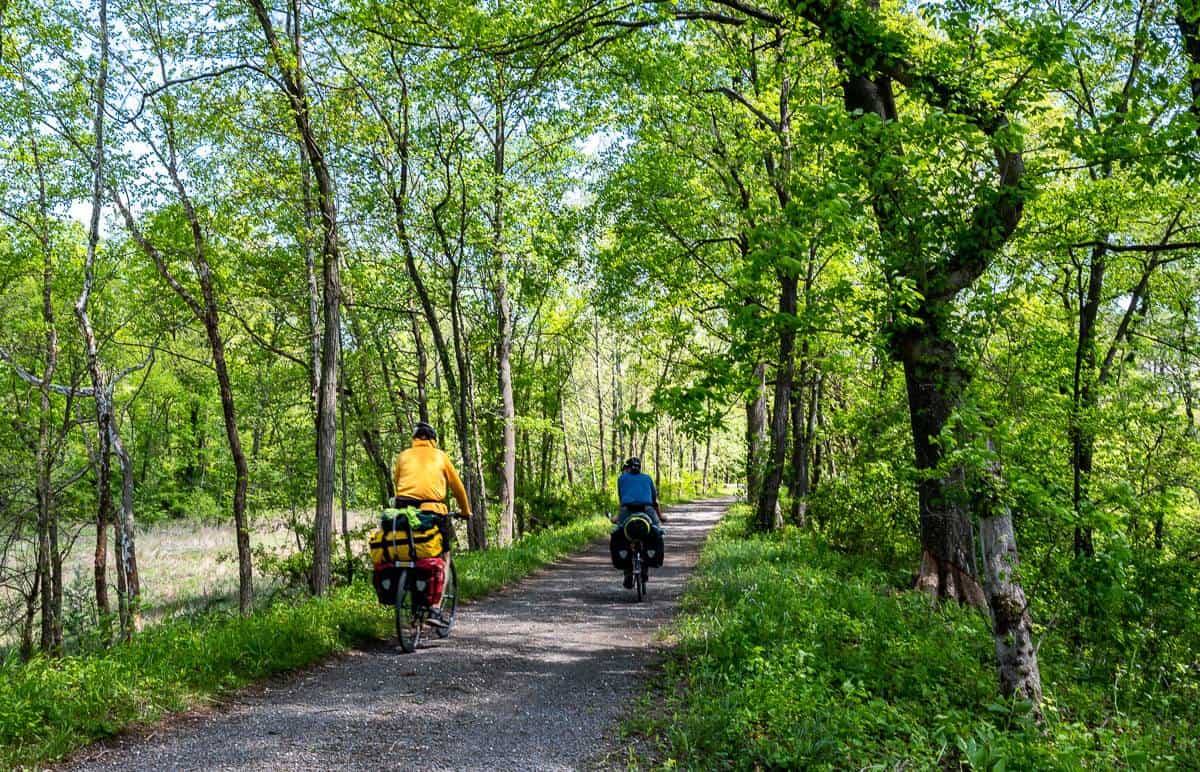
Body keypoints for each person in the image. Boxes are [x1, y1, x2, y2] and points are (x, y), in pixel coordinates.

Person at [391, 422, 471, 617]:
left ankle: (410, 594)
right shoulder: (440, 456)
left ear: (415, 439)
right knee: (443, 556)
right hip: (433, 512)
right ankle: (435, 607)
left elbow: (397, 482)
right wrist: (465, 511)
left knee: (410, 549)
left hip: (403, 511)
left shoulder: (403, 456)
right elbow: (458, 488)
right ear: (433, 440)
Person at [613, 457, 664, 588]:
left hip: (627, 511)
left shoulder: (621, 479)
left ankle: (627, 573)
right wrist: (661, 516)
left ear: (627, 468)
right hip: (647, 510)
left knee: (622, 534)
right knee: (656, 531)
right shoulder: (647, 478)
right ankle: (646, 566)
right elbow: (654, 501)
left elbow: (622, 500)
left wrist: (616, 517)